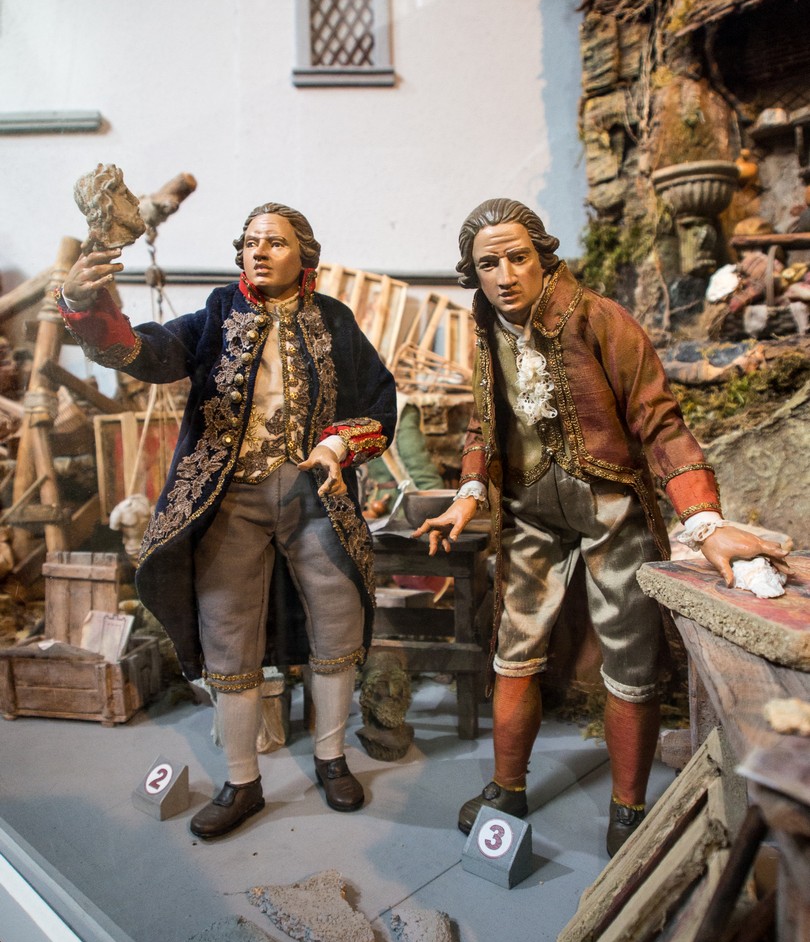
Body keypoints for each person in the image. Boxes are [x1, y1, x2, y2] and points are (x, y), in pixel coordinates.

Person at [413, 197, 790, 855]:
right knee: (514, 651)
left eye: (517, 257)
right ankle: (507, 786)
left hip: (612, 508)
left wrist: (704, 520)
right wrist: (470, 494)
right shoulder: (485, 330)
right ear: (473, 274)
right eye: (488, 264)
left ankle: (628, 806)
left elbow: (659, 420)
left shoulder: (599, 319)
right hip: (528, 512)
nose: (505, 276)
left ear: (542, 256)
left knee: (630, 656)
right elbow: (482, 423)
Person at [57, 201, 397, 839]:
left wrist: (337, 445)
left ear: (304, 254)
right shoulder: (217, 312)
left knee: (338, 618)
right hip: (229, 497)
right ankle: (242, 780)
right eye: (250, 242)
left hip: (314, 496)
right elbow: (149, 351)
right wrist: (85, 306)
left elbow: (380, 399)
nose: (259, 251)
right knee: (227, 632)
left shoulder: (334, 319)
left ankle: (330, 757)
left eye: (275, 242)